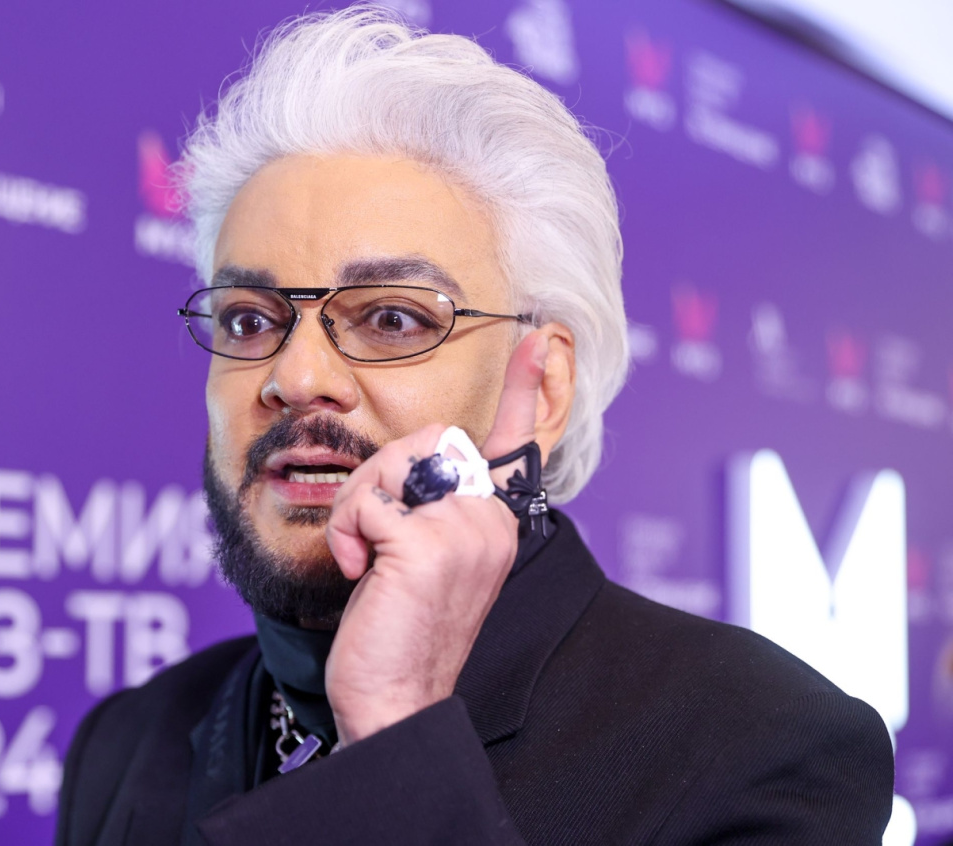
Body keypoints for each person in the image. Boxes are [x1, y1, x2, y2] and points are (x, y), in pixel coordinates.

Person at [55, 7, 894, 845]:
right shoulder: (126, 742)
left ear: (545, 389)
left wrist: (396, 731)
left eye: (392, 319)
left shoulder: (762, 746)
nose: (295, 378)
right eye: (249, 320)